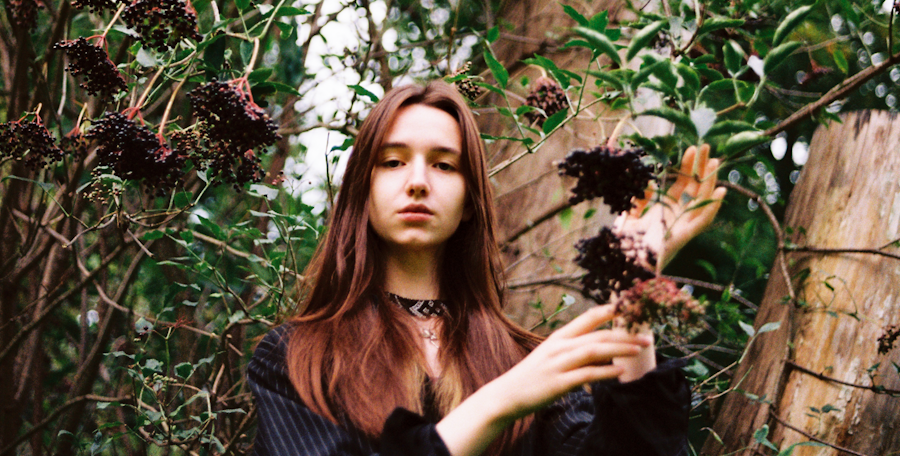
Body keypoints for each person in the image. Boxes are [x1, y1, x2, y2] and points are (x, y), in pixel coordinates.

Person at [248, 80, 725, 456]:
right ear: (362, 192)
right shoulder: (298, 358)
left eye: (444, 166)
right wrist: (500, 404)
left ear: (471, 201)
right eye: (392, 162)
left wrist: (633, 285)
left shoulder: (522, 360)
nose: (417, 182)